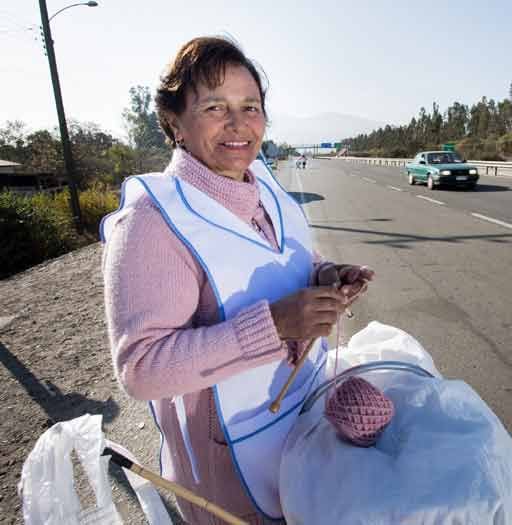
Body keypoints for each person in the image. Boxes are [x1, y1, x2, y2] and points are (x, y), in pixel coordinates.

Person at [101, 36, 373, 525]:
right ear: (174, 122)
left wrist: (326, 275)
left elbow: (283, 259)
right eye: (214, 106)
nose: (238, 123)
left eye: (251, 106)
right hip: (229, 469)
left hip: (305, 423)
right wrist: (275, 325)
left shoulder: (264, 187)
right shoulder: (151, 222)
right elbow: (141, 369)